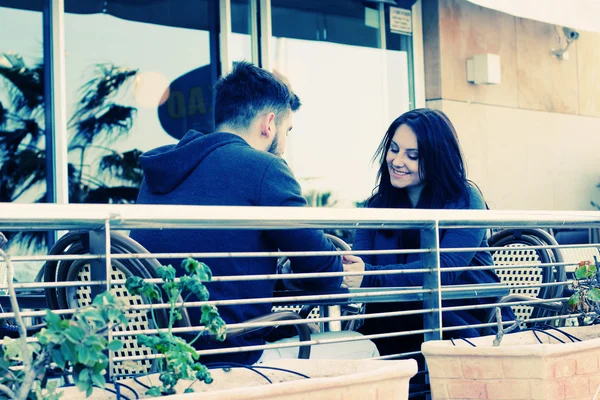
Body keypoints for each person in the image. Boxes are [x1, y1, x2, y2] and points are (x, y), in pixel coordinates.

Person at [130, 62, 376, 365]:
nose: (284, 145)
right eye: (288, 130)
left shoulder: (162, 170)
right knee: (363, 347)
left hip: (157, 356)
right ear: (269, 123)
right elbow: (323, 271)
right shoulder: (265, 168)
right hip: (230, 357)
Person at [342, 108, 515, 358]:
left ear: (436, 159)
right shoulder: (376, 206)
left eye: (412, 155)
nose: (397, 161)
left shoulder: (465, 199)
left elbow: (441, 271)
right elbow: (360, 265)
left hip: (465, 326)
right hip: (395, 326)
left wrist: (368, 276)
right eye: (394, 149)